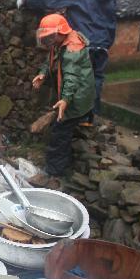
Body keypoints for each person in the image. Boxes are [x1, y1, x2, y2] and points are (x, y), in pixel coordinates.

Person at [17, 0, 116, 125]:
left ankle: (69, 118)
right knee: (95, 80)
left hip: (82, 43)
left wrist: (27, 0)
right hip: (103, 44)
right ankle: (88, 118)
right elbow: (111, 19)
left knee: (72, 77)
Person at [29, 14, 96, 187]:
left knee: (60, 135)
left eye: (50, 36)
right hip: (76, 94)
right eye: (46, 37)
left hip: (77, 97)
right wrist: (43, 73)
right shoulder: (60, 43)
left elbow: (72, 78)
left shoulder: (72, 50)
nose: (48, 40)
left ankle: (53, 173)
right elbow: (49, 60)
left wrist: (65, 100)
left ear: (61, 32)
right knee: (62, 130)